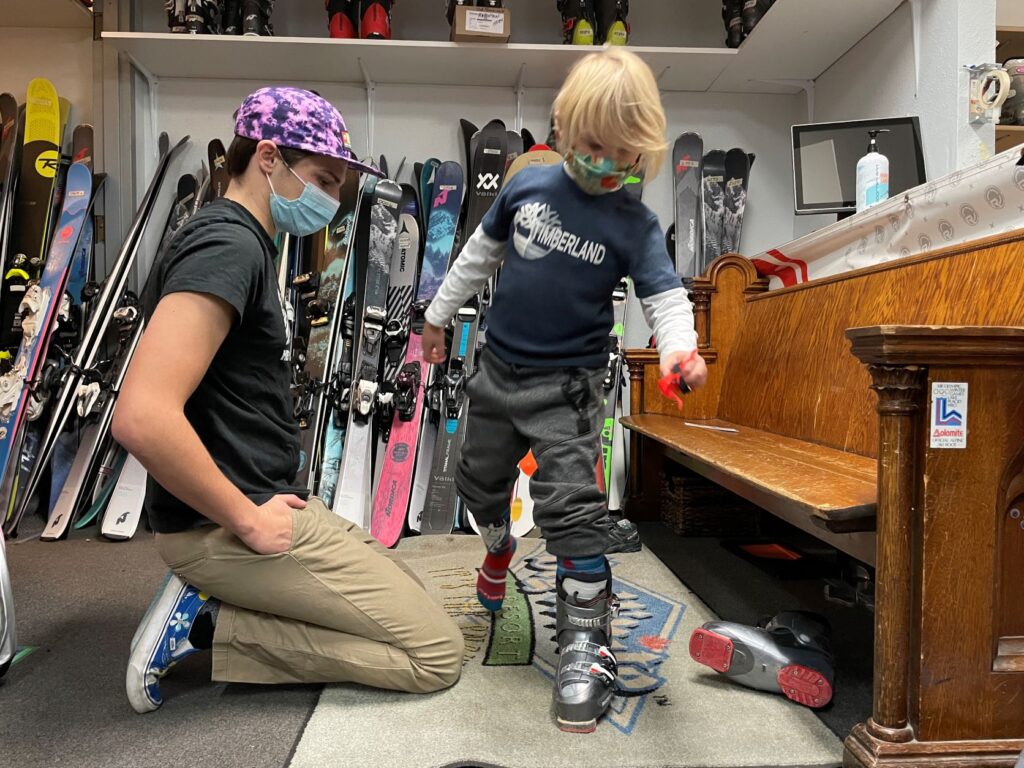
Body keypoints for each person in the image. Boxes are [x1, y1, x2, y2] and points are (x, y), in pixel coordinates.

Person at [113, 86, 464, 714]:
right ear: (268, 157)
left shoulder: (248, 241)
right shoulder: (230, 244)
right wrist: (245, 520)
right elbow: (141, 415)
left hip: (262, 500)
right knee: (434, 652)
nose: (331, 200)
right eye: (324, 179)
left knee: (408, 595)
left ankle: (222, 602)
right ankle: (209, 629)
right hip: (226, 526)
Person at [420, 49, 707, 733]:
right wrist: (434, 317)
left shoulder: (633, 224)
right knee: (473, 481)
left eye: (622, 154)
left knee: (572, 511)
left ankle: (585, 642)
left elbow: (665, 299)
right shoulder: (529, 189)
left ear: (643, 152)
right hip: (497, 372)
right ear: (565, 129)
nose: (605, 164)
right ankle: (497, 548)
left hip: (569, 390)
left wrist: (679, 352)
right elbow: (476, 257)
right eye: (591, 147)